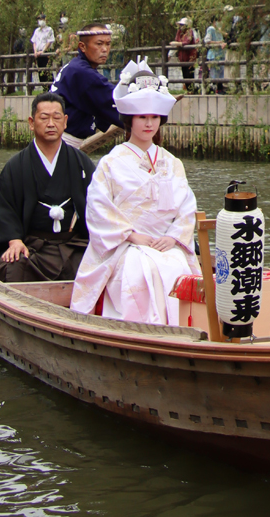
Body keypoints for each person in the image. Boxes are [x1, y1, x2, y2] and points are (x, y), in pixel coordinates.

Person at [70, 61, 200, 325]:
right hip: (124, 244)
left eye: (154, 117)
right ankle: (138, 329)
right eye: (142, 117)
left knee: (176, 265)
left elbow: (187, 207)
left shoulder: (172, 162)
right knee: (140, 268)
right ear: (130, 120)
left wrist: (174, 237)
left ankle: (179, 328)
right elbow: (97, 208)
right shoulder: (111, 162)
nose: (149, 123)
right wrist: (131, 235)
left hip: (166, 241)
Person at [0, 93, 95, 283]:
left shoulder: (81, 164)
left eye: (57, 117)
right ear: (32, 122)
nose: (51, 123)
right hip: (32, 247)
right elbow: (4, 210)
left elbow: (98, 205)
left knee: (102, 264)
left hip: (72, 245)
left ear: (65, 122)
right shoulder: (16, 166)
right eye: (44, 118)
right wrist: (14, 240)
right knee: (12, 267)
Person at [50, 22, 122, 148]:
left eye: (108, 44)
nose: (105, 49)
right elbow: (115, 98)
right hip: (61, 143)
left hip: (64, 142)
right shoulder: (81, 72)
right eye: (99, 44)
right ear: (82, 47)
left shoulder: (77, 66)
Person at [170, 17, 199, 91]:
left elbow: (187, 42)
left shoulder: (190, 32)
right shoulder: (179, 32)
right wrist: (170, 54)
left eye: (182, 25)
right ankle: (189, 90)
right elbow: (176, 42)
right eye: (180, 25)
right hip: (182, 57)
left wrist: (177, 43)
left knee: (189, 74)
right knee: (185, 75)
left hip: (190, 57)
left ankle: (192, 91)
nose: (181, 27)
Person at [204, 13, 227, 94]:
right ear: (214, 21)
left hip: (220, 54)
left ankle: (220, 88)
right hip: (214, 54)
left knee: (221, 72)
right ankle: (214, 88)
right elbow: (207, 41)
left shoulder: (219, 30)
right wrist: (218, 43)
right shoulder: (211, 29)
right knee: (214, 72)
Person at [31, 14, 55, 88]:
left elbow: (50, 41)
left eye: (42, 19)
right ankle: (44, 87)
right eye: (39, 20)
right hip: (38, 54)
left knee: (47, 71)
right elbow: (34, 41)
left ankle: (50, 88)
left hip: (46, 53)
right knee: (40, 71)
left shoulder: (49, 30)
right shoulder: (37, 31)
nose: (40, 21)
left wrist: (43, 51)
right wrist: (35, 51)